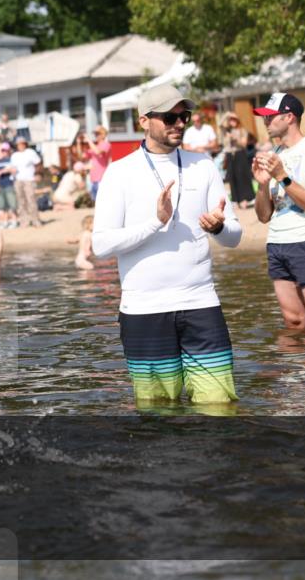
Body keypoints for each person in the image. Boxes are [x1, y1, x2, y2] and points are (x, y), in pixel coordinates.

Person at [92, 84, 242, 405]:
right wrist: (154, 223)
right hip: (145, 311)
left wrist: (218, 227)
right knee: (159, 416)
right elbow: (101, 246)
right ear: (144, 121)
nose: (179, 124)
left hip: (201, 304)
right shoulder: (119, 173)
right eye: (170, 117)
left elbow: (235, 236)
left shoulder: (202, 165)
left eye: (184, 116)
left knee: (220, 407)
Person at [252, 92, 305, 329]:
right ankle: (295, 366)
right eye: (264, 118)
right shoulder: (275, 155)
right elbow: (263, 216)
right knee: (293, 321)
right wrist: (261, 184)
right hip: (277, 243)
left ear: (289, 117)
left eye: (270, 117)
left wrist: (282, 177)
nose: (265, 122)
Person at [221, 112, 255, 209]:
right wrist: (227, 114)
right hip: (229, 155)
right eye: (231, 119)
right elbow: (220, 123)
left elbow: (244, 145)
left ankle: (245, 199)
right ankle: (235, 200)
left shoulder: (242, 130)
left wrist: (235, 138)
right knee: (232, 178)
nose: (232, 121)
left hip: (240, 154)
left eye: (234, 119)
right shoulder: (226, 131)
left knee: (242, 177)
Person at [11, 137, 42, 227]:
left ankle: (35, 220)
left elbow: (38, 164)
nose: (21, 145)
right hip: (18, 179)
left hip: (29, 179)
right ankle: (24, 221)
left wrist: (38, 174)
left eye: (22, 143)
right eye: (19, 144)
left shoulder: (30, 153)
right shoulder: (14, 155)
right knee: (21, 201)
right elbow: (13, 167)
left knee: (31, 199)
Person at [0, 142, 18, 228]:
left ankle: (14, 220)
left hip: (9, 184)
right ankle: (5, 221)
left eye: (6, 150)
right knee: (2, 205)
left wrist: (2, 171)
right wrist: (4, 171)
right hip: (1, 185)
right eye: (3, 150)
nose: (4, 152)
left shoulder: (12, 160)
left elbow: (13, 170)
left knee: (12, 204)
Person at [87, 125, 112, 201]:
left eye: (97, 133)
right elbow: (81, 156)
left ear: (103, 134)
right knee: (95, 202)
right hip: (93, 178)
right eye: (95, 134)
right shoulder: (94, 146)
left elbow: (97, 152)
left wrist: (88, 140)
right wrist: (78, 142)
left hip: (101, 178)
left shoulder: (106, 144)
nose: (95, 135)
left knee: (102, 201)